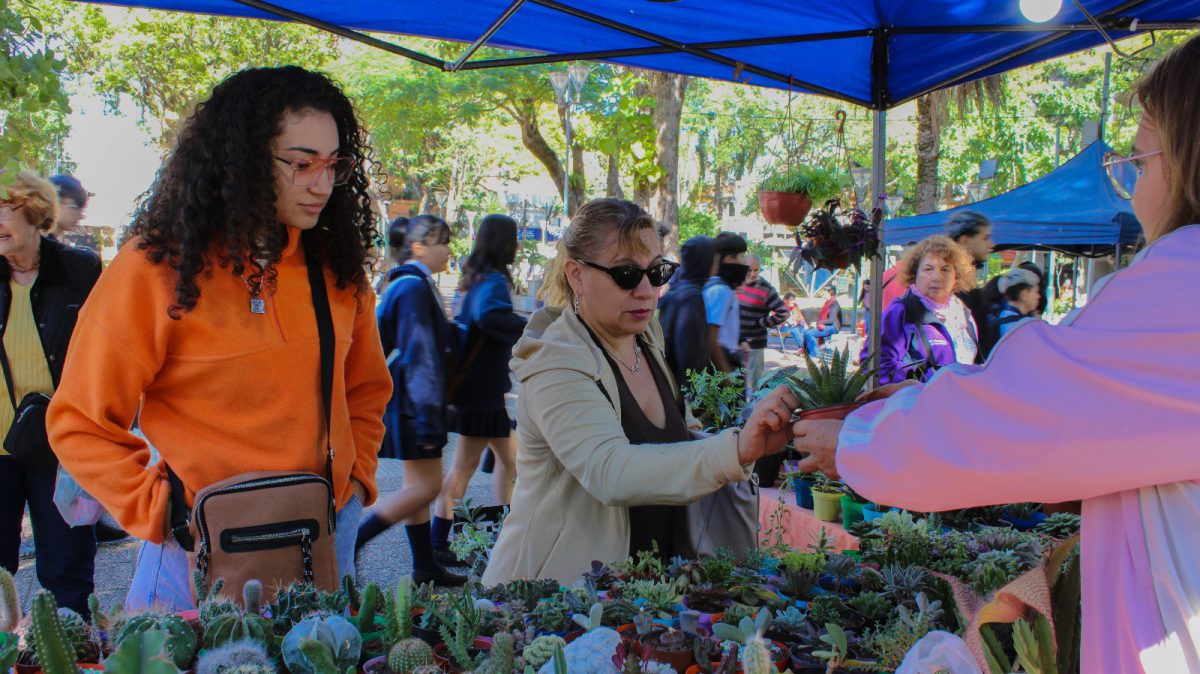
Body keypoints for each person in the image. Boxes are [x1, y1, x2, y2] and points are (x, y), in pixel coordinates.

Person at [793, 35, 1200, 673]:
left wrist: (856, 440)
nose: (1132, 185)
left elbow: (1025, 414)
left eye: (1140, 161)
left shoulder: (1185, 280)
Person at [46, 66, 392, 610]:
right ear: (243, 159)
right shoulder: (155, 267)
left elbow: (367, 393)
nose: (322, 184)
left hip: (324, 535)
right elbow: (80, 421)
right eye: (301, 163)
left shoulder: (339, 273)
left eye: (334, 164)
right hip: (193, 550)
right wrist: (162, 513)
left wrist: (354, 486)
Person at [482, 198, 797, 585]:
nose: (647, 291)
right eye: (627, 274)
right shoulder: (555, 361)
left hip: (641, 600)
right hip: (552, 604)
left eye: (657, 272)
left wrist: (750, 430)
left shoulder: (645, 337)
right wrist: (734, 449)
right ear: (576, 275)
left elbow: (670, 439)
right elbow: (609, 471)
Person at [0, 171, 101, 616]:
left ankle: (68, 655)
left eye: (4, 208)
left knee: (66, 571)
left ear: (35, 211)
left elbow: (107, 350)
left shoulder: (79, 270)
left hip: (62, 447)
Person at [355, 215, 466, 586]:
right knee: (425, 488)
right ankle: (355, 540)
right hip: (414, 405)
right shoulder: (414, 288)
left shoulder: (407, 285)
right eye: (441, 242)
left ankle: (424, 566)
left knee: (418, 487)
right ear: (418, 246)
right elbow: (421, 357)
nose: (448, 250)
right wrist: (428, 416)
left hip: (407, 403)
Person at [430, 214, 526, 565]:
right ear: (504, 243)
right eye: (514, 239)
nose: (517, 246)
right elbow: (490, 317)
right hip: (483, 392)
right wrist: (529, 327)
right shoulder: (496, 281)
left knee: (508, 462)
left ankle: (504, 533)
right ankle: (440, 543)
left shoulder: (472, 278)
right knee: (472, 468)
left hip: (477, 389)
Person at [873, 236, 980, 383]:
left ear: (957, 276)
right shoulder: (901, 312)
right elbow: (877, 365)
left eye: (945, 269)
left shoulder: (962, 313)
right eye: (928, 269)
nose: (937, 277)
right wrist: (928, 381)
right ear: (914, 274)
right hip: (916, 403)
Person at [658, 235, 717, 387]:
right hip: (684, 389)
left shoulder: (675, 289)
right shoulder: (692, 297)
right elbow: (688, 352)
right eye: (714, 259)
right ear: (705, 262)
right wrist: (693, 395)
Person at [736, 254, 788, 392]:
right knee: (736, 383)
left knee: (754, 384)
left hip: (754, 344)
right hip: (734, 343)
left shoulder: (766, 289)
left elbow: (783, 313)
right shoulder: (736, 282)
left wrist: (761, 322)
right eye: (749, 270)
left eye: (756, 270)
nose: (752, 274)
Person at [703, 232, 749, 374]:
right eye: (742, 257)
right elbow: (711, 338)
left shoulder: (721, 288)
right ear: (729, 259)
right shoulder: (720, 291)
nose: (744, 262)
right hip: (723, 365)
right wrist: (726, 376)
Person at [945, 211, 994, 333]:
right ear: (965, 241)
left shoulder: (961, 283)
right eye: (985, 238)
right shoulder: (951, 284)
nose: (991, 244)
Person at [987, 267, 1042, 344]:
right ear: (1024, 295)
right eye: (1036, 292)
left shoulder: (999, 317)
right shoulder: (1021, 327)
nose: (1038, 296)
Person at [47, 175, 99, 254]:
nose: (81, 216)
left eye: (82, 210)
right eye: (75, 207)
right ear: (56, 202)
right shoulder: (37, 246)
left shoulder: (50, 246)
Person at [803, 286, 842, 357]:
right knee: (806, 332)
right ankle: (809, 352)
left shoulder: (834, 304)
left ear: (830, 292)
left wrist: (817, 323)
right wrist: (817, 324)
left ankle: (816, 354)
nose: (822, 293)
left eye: (824, 291)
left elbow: (831, 320)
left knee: (809, 333)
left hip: (833, 327)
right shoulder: (828, 302)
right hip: (828, 326)